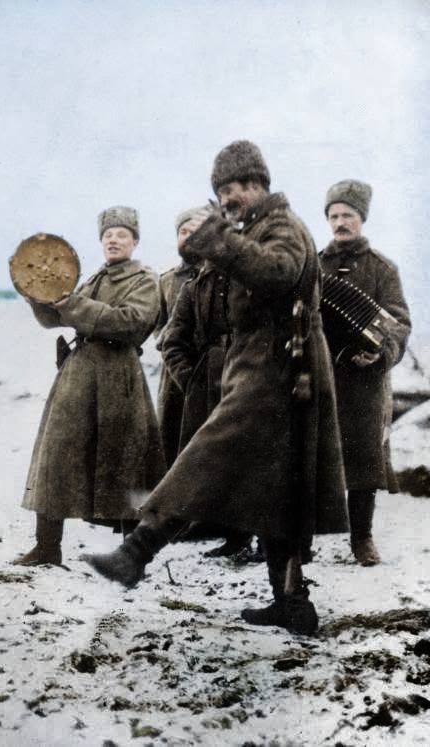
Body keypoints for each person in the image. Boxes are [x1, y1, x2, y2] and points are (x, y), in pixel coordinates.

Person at [83, 142, 347, 635]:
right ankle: (292, 603)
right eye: (221, 191)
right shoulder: (255, 229)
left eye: (235, 188)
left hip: (280, 368)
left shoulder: (282, 226)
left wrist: (218, 237)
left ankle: (136, 552)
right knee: (278, 488)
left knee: (205, 455)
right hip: (264, 367)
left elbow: (277, 272)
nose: (228, 198)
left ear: (258, 185)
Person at [13, 206, 165, 566]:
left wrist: (73, 303)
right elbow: (55, 318)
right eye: (108, 235)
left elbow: (132, 321)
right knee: (56, 455)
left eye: (121, 234)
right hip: (78, 374)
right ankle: (47, 546)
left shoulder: (145, 279)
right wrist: (35, 292)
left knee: (126, 461)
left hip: (118, 377)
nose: (113, 239)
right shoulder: (93, 277)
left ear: (135, 241)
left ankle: (131, 554)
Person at [320, 180, 411, 566]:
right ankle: (304, 539)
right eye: (334, 215)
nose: (340, 222)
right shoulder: (314, 265)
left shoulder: (382, 269)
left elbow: (398, 323)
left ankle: (362, 538)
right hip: (321, 371)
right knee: (314, 454)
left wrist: (378, 354)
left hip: (364, 379)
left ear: (362, 219)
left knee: (363, 457)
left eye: (348, 216)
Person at [159, 216, 253, 559]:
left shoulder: (248, 282)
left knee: (247, 457)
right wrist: (190, 379)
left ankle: (245, 535)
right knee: (206, 457)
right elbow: (171, 341)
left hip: (246, 373)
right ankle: (221, 529)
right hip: (206, 380)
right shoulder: (192, 288)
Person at [154, 208, 203, 467]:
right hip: (172, 374)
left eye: (194, 232)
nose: (188, 237)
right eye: (183, 232)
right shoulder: (166, 281)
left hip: (207, 370)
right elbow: (158, 324)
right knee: (170, 439)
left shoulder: (217, 278)